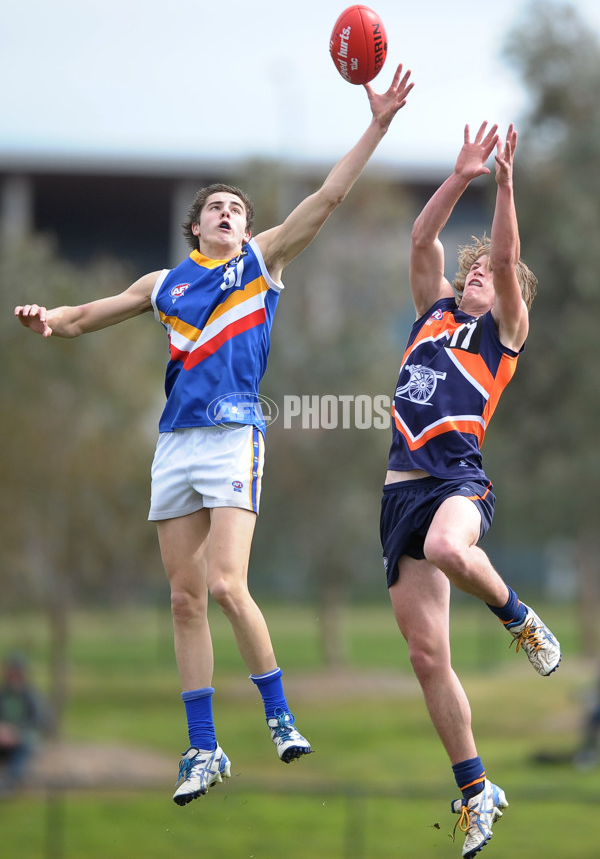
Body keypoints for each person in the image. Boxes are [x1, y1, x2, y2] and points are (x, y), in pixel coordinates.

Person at [15, 64, 414, 806]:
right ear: (194, 225)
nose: (229, 214)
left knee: (229, 584)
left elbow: (327, 197)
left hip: (234, 437)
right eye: (217, 208)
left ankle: (280, 716)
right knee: (184, 600)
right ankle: (203, 749)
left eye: (238, 207)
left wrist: (379, 123)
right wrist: (48, 318)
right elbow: (78, 317)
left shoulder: (262, 264)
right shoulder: (163, 284)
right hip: (176, 445)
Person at [379, 122, 561, 858]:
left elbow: (510, 254)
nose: (482, 269)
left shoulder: (501, 334)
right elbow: (422, 242)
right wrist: (459, 177)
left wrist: (506, 184)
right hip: (398, 494)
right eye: (477, 265)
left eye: (493, 270)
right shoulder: (434, 311)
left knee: (450, 544)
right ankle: (476, 789)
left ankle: (520, 619)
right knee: (427, 657)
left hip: (458, 480)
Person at [0, 653, 49, 795]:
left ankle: (10, 782)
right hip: (4, 737)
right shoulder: (3, 694)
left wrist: (16, 731)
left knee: (23, 749)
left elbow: (39, 720)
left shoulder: (32, 695)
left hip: (23, 736)